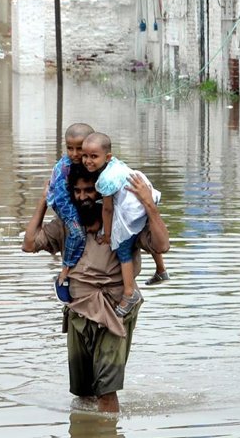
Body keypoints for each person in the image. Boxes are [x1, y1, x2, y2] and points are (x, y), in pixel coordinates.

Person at [22, 163, 170, 413]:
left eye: (89, 190)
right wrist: (43, 202)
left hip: (115, 311)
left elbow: (162, 245)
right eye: (77, 192)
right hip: (79, 312)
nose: (83, 197)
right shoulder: (67, 224)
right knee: (83, 394)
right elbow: (28, 244)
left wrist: (149, 206)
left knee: (106, 390)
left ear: (101, 192)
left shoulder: (123, 222)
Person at [80, 132, 169, 316]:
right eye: (85, 156)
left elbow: (107, 210)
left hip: (135, 205)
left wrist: (108, 234)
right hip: (144, 193)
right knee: (144, 228)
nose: (88, 161)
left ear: (107, 157)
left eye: (93, 156)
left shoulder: (105, 179)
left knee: (122, 247)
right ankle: (161, 269)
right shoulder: (116, 165)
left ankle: (129, 293)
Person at [46, 123, 94, 293]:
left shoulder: (91, 161)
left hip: (74, 200)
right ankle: (65, 271)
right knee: (77, 233)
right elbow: (60, 198)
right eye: (70, 148)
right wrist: (75, 218)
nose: (74, 154)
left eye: (79, 149)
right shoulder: (64, 167)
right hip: (62, 203)